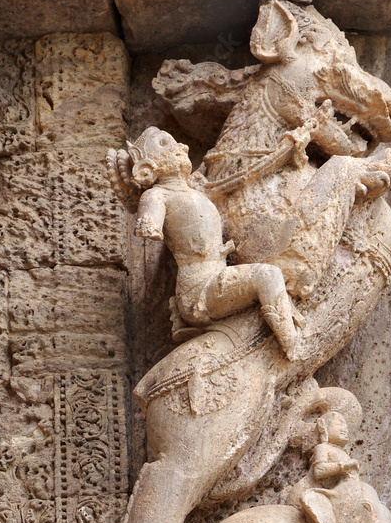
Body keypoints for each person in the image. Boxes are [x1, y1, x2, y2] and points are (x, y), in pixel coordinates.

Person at [108, 127, 302, 357]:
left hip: (217, 272)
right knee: (268, 275)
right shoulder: (157, 196)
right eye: (165, 145)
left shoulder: (194, 189)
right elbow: (148, 225)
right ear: (149, 167)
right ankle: (293, 346)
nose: (182, 147)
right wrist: (147, 214)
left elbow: (239, 178)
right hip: (199, 288)